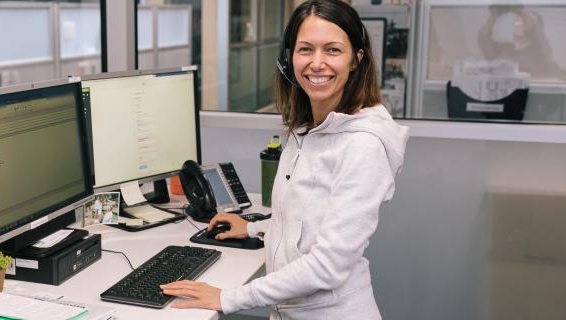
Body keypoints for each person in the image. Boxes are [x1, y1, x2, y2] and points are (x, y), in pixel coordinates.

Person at [160, 0, 409, 319]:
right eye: (306, 49)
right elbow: (306, 216)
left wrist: (229, 298)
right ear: (289, 58)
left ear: (356, 60)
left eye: (333, 50)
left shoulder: (364, 146)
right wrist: (255, 228)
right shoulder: (309, 128)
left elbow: (326, 267)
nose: (317, 63)